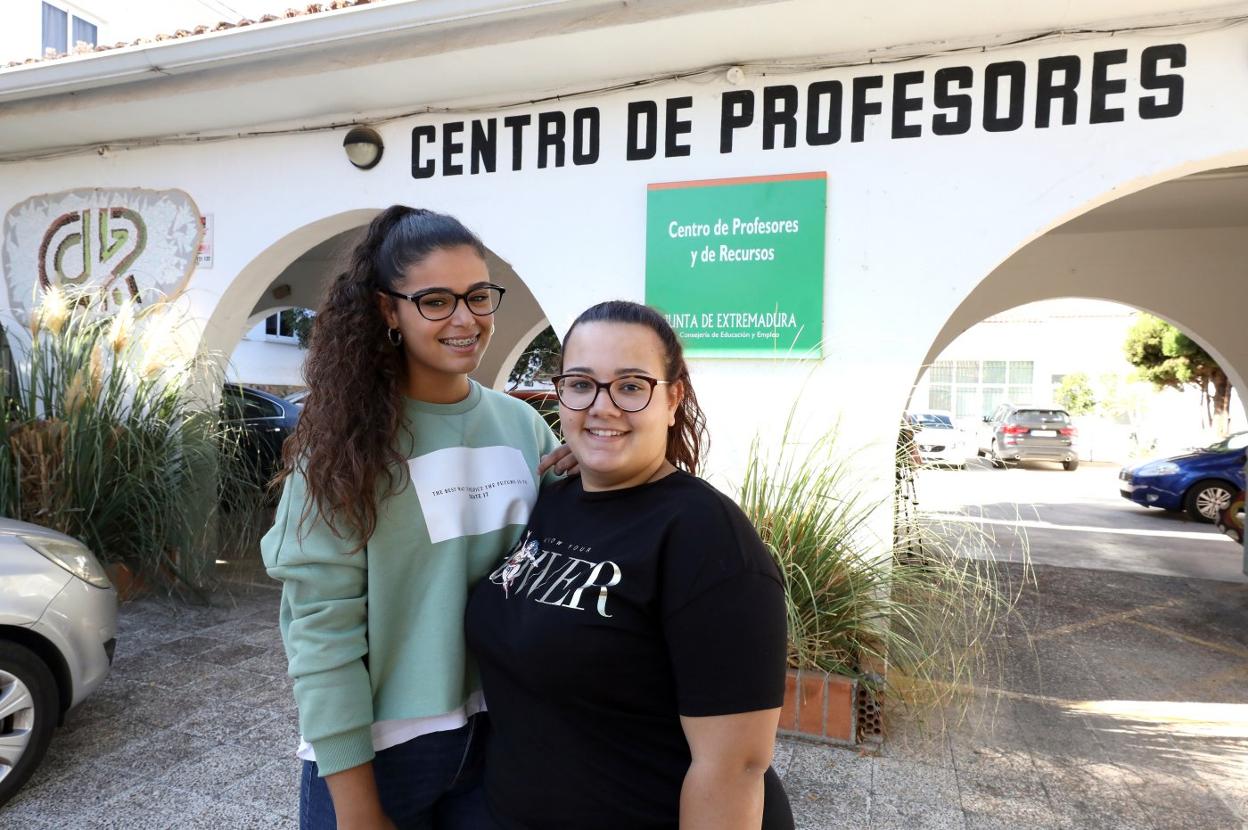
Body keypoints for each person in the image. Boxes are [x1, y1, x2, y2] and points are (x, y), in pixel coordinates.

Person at [261, 206, 567, 830]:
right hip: (382, 755)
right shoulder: (343, 448)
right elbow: (321, 634)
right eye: (435, 300)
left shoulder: (522, 426)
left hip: (500, 740)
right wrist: (357, 808)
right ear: (387, 310)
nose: (466, 319)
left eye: (478, 296)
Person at [466, 300, 794, 830]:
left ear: (672, 399)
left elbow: (734, 768)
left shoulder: (706, 536)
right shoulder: (552, 501)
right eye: (581, 384)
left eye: (631, 385)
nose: (602, 406)